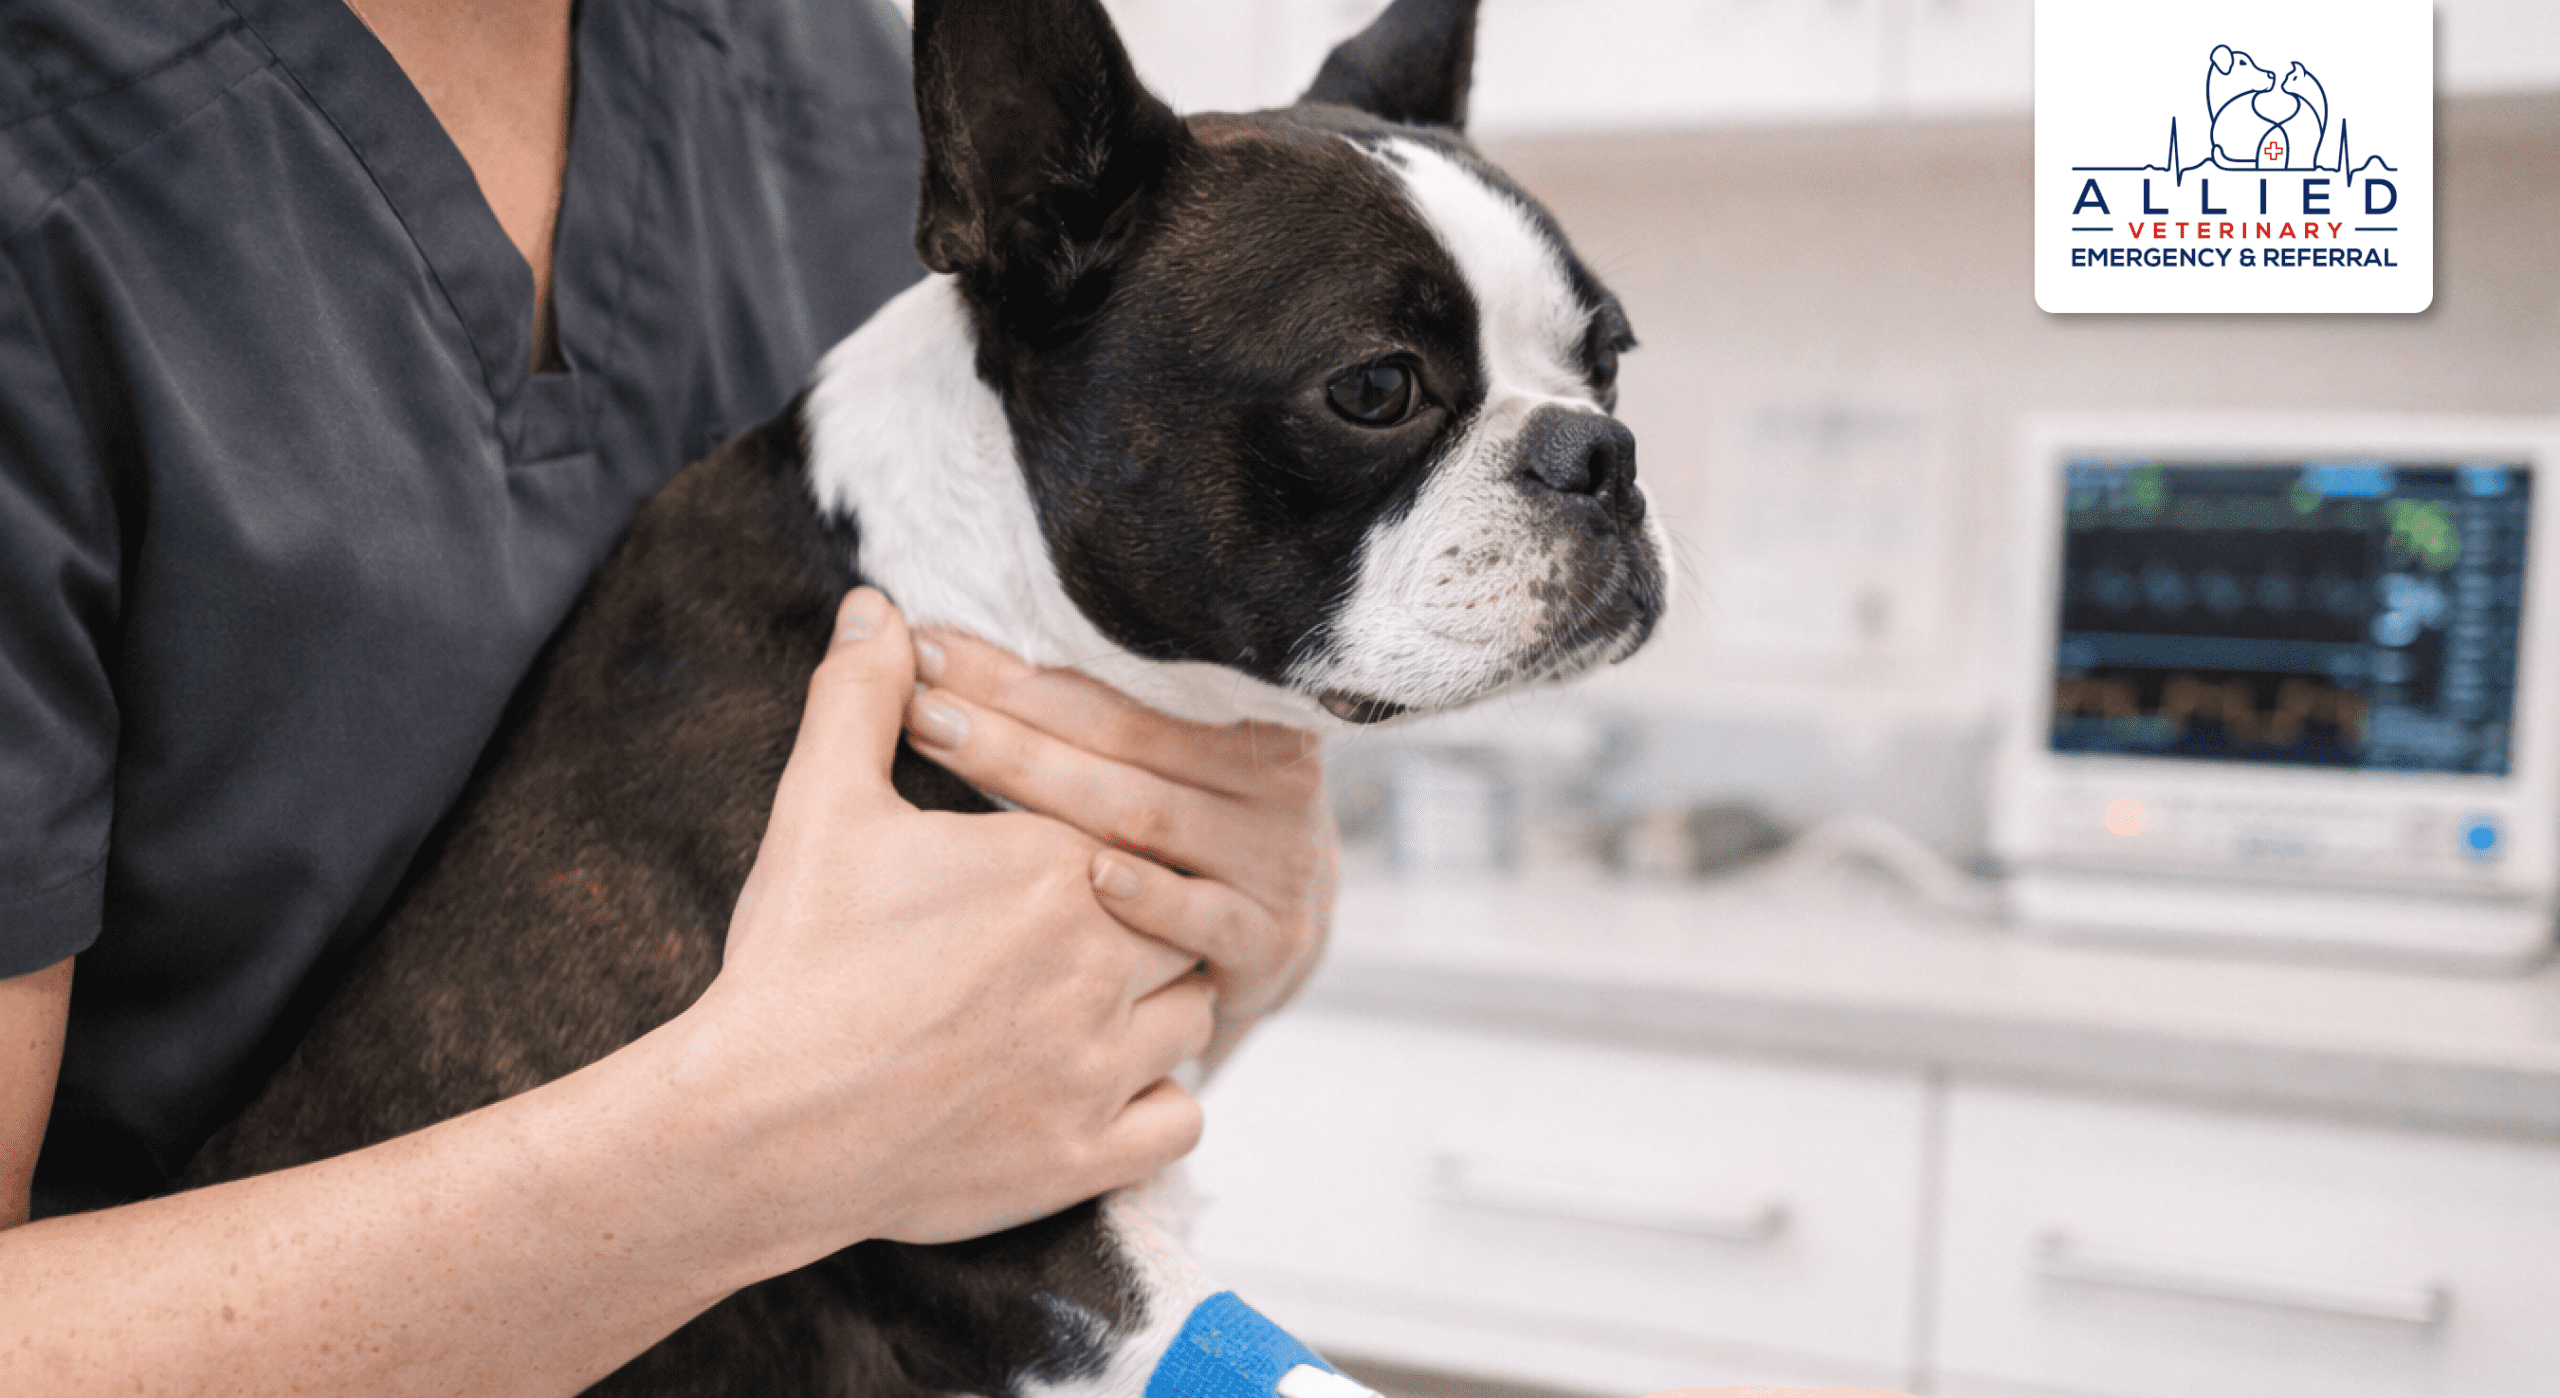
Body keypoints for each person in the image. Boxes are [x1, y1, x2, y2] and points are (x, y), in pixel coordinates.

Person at [0, 3, 1906, 1395]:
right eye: (1388, 396)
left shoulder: (818, 76)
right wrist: (750, 1142)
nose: (1582, 464)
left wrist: (1231, 924)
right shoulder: (59, 164)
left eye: (1589, 386)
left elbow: (956, 1104)